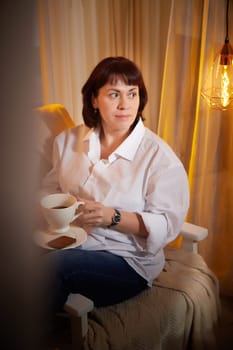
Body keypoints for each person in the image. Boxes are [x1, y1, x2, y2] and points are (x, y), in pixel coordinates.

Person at [41, 56, 189, 314]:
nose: (125, 105)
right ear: (94, 100)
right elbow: (49, 190)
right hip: (71, 240)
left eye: (132, 94)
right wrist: (61, 206)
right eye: (114, 94)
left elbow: (167, 225)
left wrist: (113, 216)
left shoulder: (159, 157)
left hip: (127, 260)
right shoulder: (66, 141)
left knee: (55, 267)